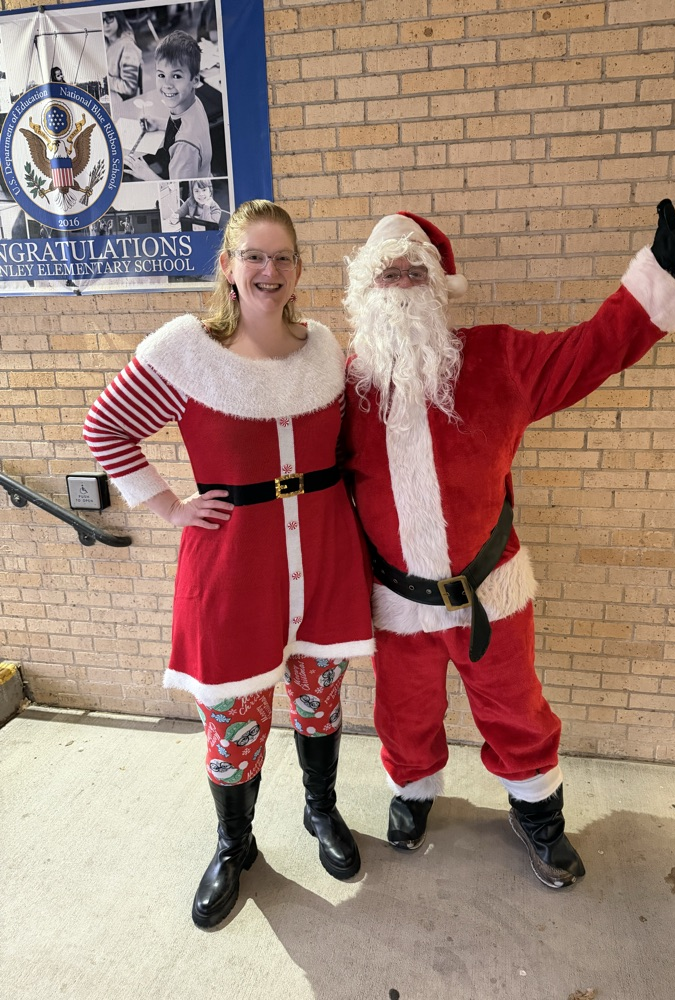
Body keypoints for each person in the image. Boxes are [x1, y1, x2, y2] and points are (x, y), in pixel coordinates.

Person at [341, 186, 675, 889]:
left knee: (514, 708)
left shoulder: (498, 361)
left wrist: (660, 267)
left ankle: (538, 812)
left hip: (492, 592)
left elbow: (592, 349)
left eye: (413, 272)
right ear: (364, 288)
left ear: (439, 286)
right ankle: (413, 790)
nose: (399, 287)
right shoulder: (343, 389)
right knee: (402, 711)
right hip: (395, 601)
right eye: (386, 274)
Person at [82, 199, 375, 928]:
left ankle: (321, 810)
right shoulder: (186, 348)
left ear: (299, 270)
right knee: (234, 712)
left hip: (325, 552)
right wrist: (171, 507)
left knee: (318, 695)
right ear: (228, 266)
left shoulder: (322, 349)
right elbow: (106, 427)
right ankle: (234, 844)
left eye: (282, 258)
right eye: (254, 256)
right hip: (234, 564)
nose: (267, 270)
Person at [124, 29, 210, 181]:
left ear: (195, 81)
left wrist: (145, 173)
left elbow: (177, 196)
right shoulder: (194, 103)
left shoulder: (184, 147)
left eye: (176, 76)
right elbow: (183, 126)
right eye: (161, 75)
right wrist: (159, 123)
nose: (167, 84)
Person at [102, 11, 142, 100]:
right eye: (101, 20)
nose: (105, 25)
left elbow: (129, 87)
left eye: (109, 18)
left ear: (118, 17)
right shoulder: (106, 42)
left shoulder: (128, 47)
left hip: (123, 103)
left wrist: (105, 80)